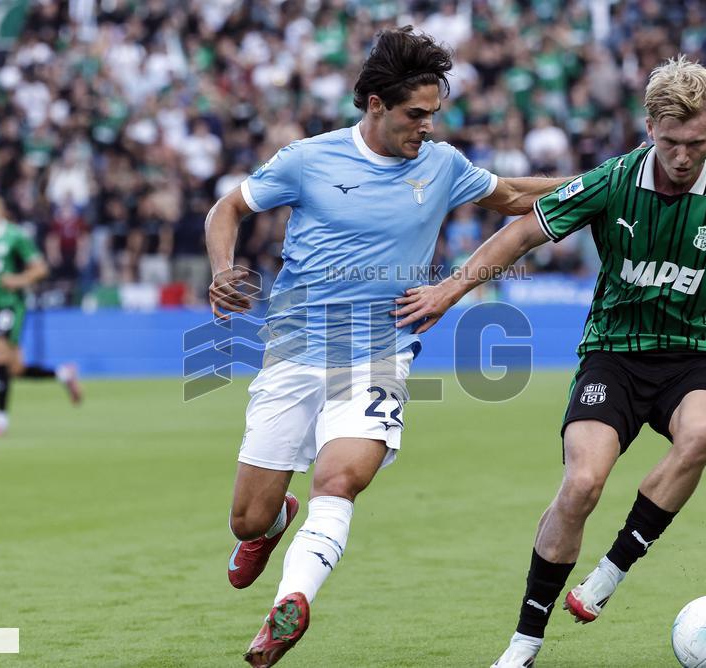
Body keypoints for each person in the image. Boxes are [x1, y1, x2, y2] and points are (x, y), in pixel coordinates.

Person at [393, 56, 706, 667]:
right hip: (613, 354)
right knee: (581, 484)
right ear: (648, 129)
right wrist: (449, 292)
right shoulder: (615, 179)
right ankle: (524, 643)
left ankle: (609, 573)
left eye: (694, 143)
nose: (682, 157)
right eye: (669, 143)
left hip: (697, 356)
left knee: (704, 431)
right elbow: (523, 232)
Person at [206, 26, 566, 668]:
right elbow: (226, 210)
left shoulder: (443, 165)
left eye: (433, 114)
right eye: (415, 115)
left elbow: (512, 196)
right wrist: (223, 269)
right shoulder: (307, 160)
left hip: (380, 351)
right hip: (293, 349)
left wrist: (610, 178)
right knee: (246, 520)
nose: (426, 127)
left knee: (339, 478)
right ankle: (273, 521)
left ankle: (289, 607)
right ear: (375, 105)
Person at [0, 194, 82, 437]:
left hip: (12, 304)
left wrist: (18, 280)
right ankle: (64, 374)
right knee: (15, 369)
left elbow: (40, 268)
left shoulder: (14, 237)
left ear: (2, 211)